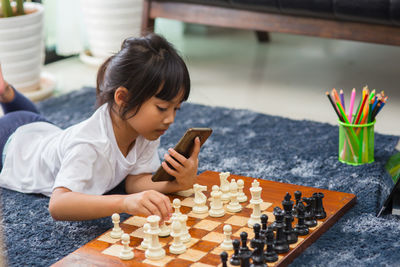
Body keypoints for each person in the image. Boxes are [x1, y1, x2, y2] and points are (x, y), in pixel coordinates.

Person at [0, 33, 201, 222]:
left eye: (176, 109)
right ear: (123, 98)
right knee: (29, 130)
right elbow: (59, 204)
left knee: (40, 127)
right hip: (10, 145)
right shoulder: (89, 145)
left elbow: (134, 180)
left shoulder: (145, 130)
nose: (170, 119)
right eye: (163, 108)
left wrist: (177, 183)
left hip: (42, 130)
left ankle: (6, 93)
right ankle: (6, 92)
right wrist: (123, 203)